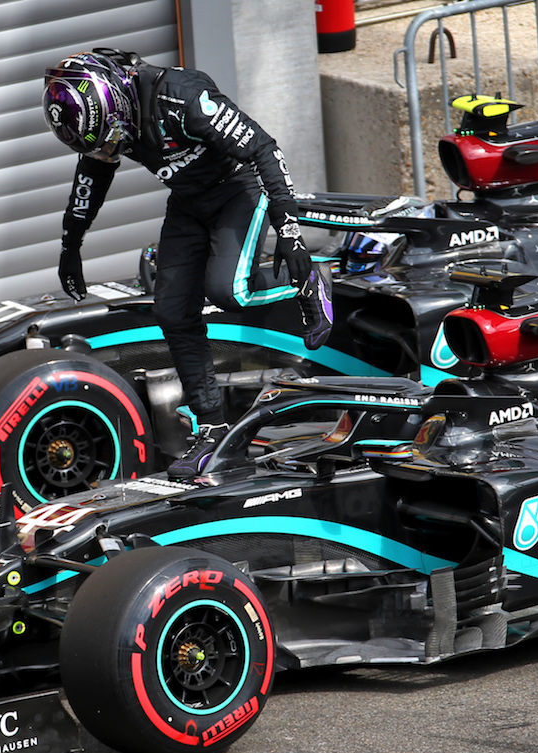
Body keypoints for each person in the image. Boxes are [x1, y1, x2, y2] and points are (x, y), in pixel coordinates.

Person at [42, 48, 331, 477]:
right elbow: (92, 176)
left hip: (238, 188)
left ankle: (310, 281)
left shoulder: (182, 97)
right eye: (99, 141)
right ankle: (213, 428)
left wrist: (289, 233)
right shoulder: (107, 120)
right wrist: (71, 243)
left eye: (110, 135)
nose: (109, 146)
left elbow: (265, 149)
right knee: (172, 311)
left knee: (228, 291)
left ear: (118, 98)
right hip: (188, 202)